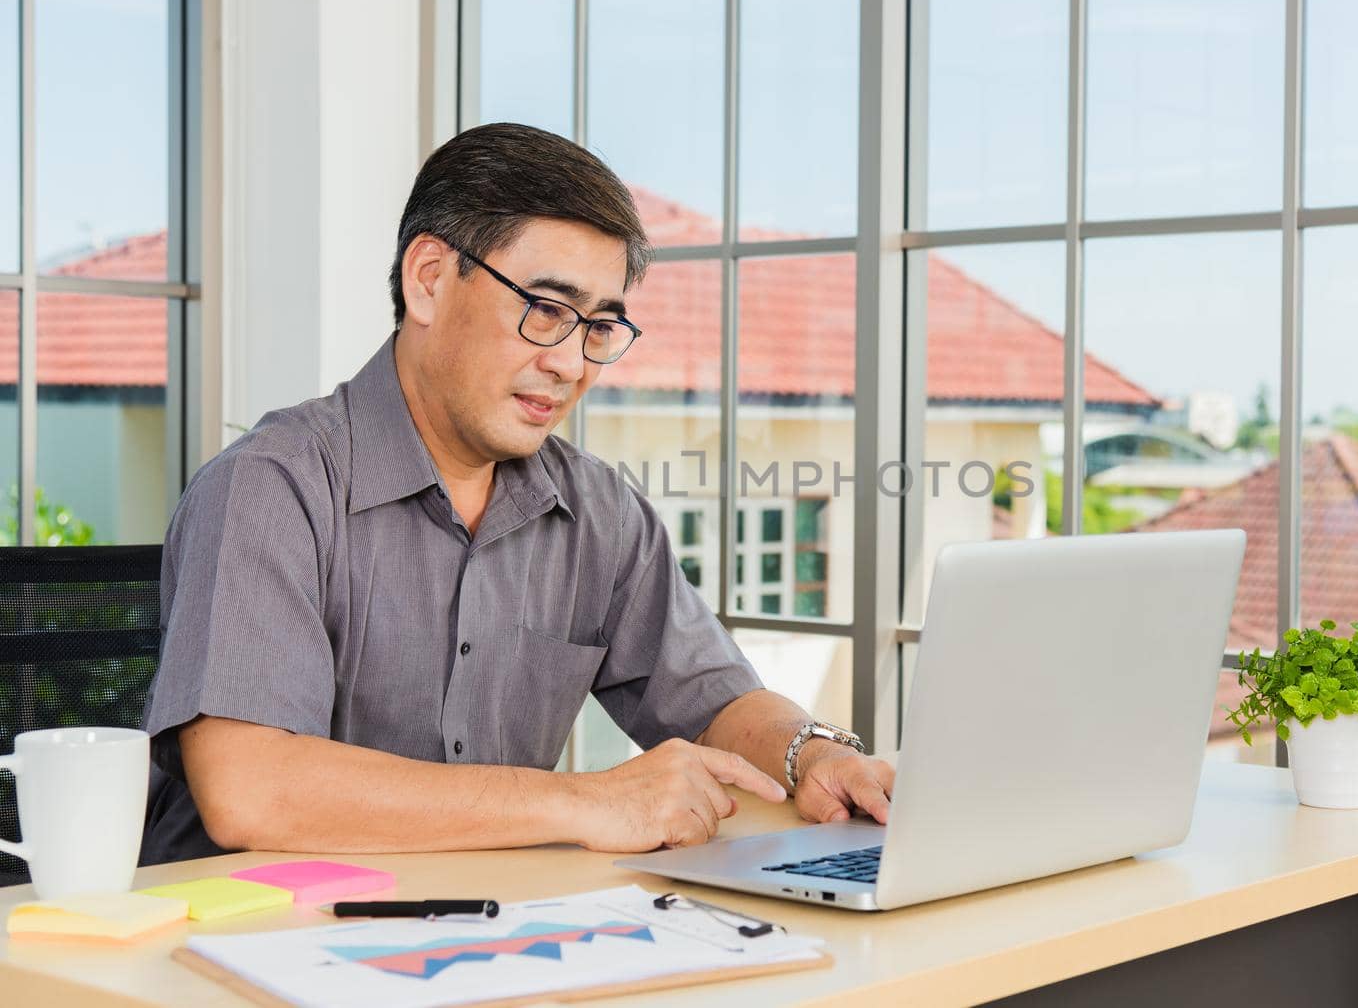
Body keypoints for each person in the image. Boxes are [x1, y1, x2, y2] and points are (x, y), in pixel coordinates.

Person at [139, 123, 894, 864]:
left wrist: (816, 756)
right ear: (428, 279)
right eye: (545, 311)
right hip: (247, 947)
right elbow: (252, 788)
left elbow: (716, 700)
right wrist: (584, 800)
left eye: (599, 325)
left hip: (491, 935)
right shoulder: (271, 488)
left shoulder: (599, 512)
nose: (571, 364)